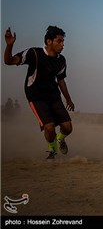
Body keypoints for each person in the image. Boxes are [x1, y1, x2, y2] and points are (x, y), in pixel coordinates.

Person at [4, 26, 75, 160]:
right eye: (59, 41)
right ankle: (52, 151)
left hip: (54, 96)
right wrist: (9, 45)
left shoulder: (61, 60)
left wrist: (68, 99)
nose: (63, 44)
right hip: (36, 97)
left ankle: (60, 140)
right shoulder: (34, 53)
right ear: (49, 41)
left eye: (63, 41)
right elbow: (9, 61)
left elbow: (61, 80)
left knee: (68, 127)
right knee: (49, 128)